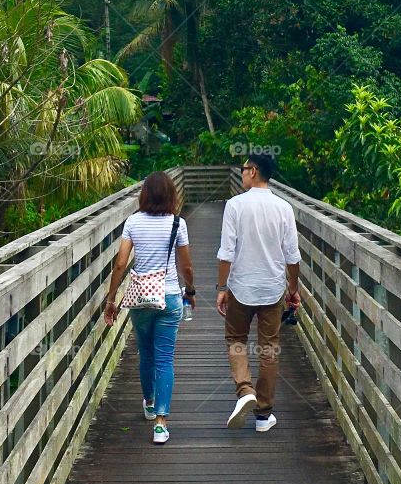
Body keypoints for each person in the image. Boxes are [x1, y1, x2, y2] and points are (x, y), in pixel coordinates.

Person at [104, 171, 196, 444]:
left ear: (144, 195)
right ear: (171, 195)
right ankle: (160, 424)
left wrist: (111, 300)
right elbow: (186, 266)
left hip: (141, 297)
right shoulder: (177, 223)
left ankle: (149, 402)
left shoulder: (133, 221)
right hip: (169, 297)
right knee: (165, 359)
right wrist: (190, 291)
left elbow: (120, 264)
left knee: (145, 353)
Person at [216, 150, 301, 432]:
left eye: (243, 169)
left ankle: (245, 390)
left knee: (236, 339)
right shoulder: (284, 207)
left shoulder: (235, 205)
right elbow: (293, 257)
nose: (241, 174)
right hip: (273, 288)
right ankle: (264, 416)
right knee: (269, 348)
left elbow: (226, 253)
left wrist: (221, 287)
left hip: (241, 286)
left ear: (253, 171)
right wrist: (293, 289)